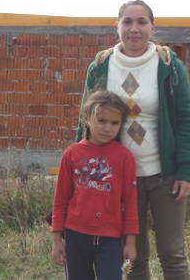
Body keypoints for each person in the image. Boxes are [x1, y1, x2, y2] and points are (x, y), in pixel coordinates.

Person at [75, 0, 190, 280]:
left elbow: (186, 119)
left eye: (142, 22)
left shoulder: (170, 66)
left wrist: (185, 171)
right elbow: (85, 120)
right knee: (131, 255)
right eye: (127, 22)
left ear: (152, 28)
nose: (134, 29)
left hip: (165, 175)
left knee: (172, 252)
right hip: (117, 178)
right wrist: (81, 171)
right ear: (117, 26)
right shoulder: (101, 67)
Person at [52, 90, 139, 280]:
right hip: (75, 236)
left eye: (115, 123)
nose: (108, 128)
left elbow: (130, 202)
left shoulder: (125, 158)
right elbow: (61, 199)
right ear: (87, 118)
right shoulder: (71, 154)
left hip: (111, 239)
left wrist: (130, 243)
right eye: (101, 121)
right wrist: (57, 239)